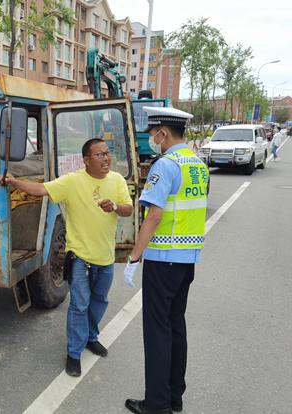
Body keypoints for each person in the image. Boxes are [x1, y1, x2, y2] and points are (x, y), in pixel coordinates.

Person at [0, 138, 133, 377]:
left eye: (107, 153)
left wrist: (114, 206)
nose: (106, 158)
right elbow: (41, 189)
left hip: (106, 257)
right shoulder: (73, 181)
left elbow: (128, 208)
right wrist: (13, 182)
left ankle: (91, 337)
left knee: (99, 301)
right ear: (86, 160)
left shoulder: (117, 180)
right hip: (80, 257)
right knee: (79, 305)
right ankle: (74, 353)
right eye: (100, 154)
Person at [123, 107, 209, 414]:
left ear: (162, 133)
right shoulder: (197, 163)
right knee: (175, 325)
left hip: (163, 259)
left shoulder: (166, 165)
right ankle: (174, 396)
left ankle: (157, 404)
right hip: (187, 259)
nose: (151, 138)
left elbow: (153, 215)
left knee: (157, 330)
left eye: (152, 133)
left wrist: (134, 257)